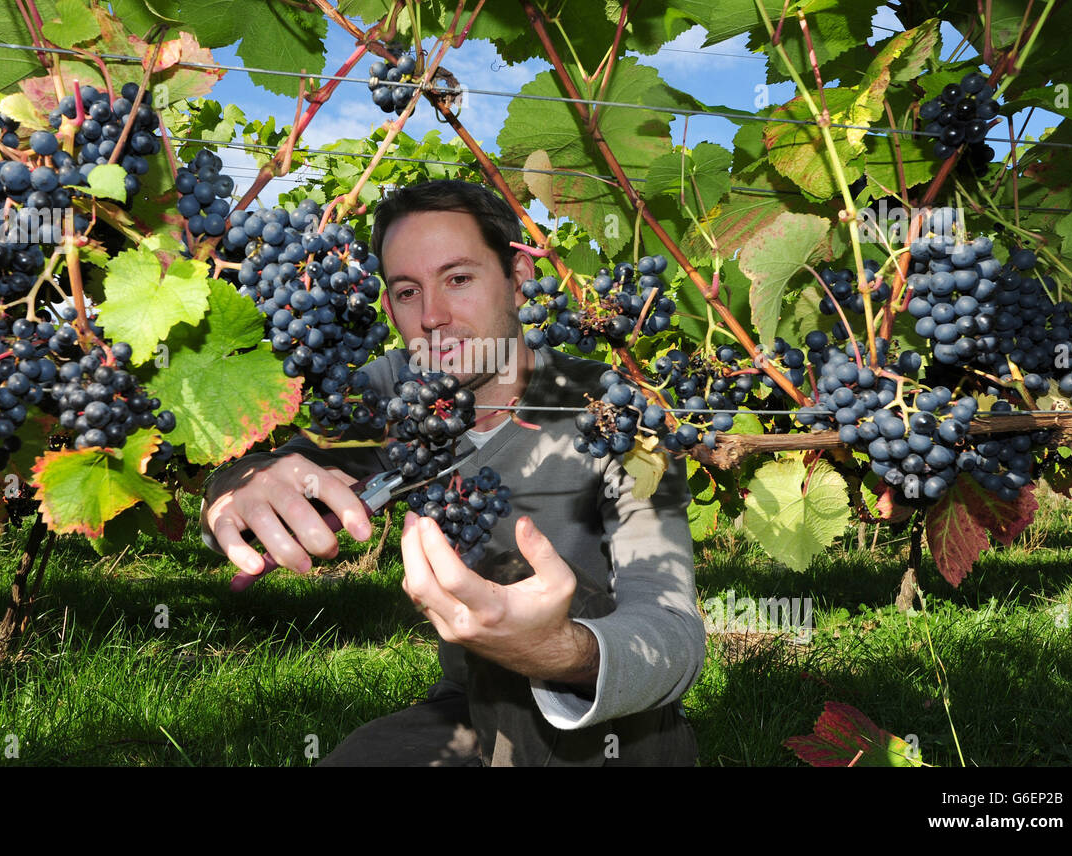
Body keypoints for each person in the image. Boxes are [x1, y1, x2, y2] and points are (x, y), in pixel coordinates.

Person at [201, 180, 704, 766]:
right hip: (470, 702)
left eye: (458, 279)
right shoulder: (390, 391)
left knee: (521, 578)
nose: (433, 317)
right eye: (408, 291)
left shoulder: (618, 414)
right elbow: (273, 476)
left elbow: (672, 631)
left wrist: (559, 650)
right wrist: (234, 492)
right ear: (387, 306)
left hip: (609, 714)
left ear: (518, 279)